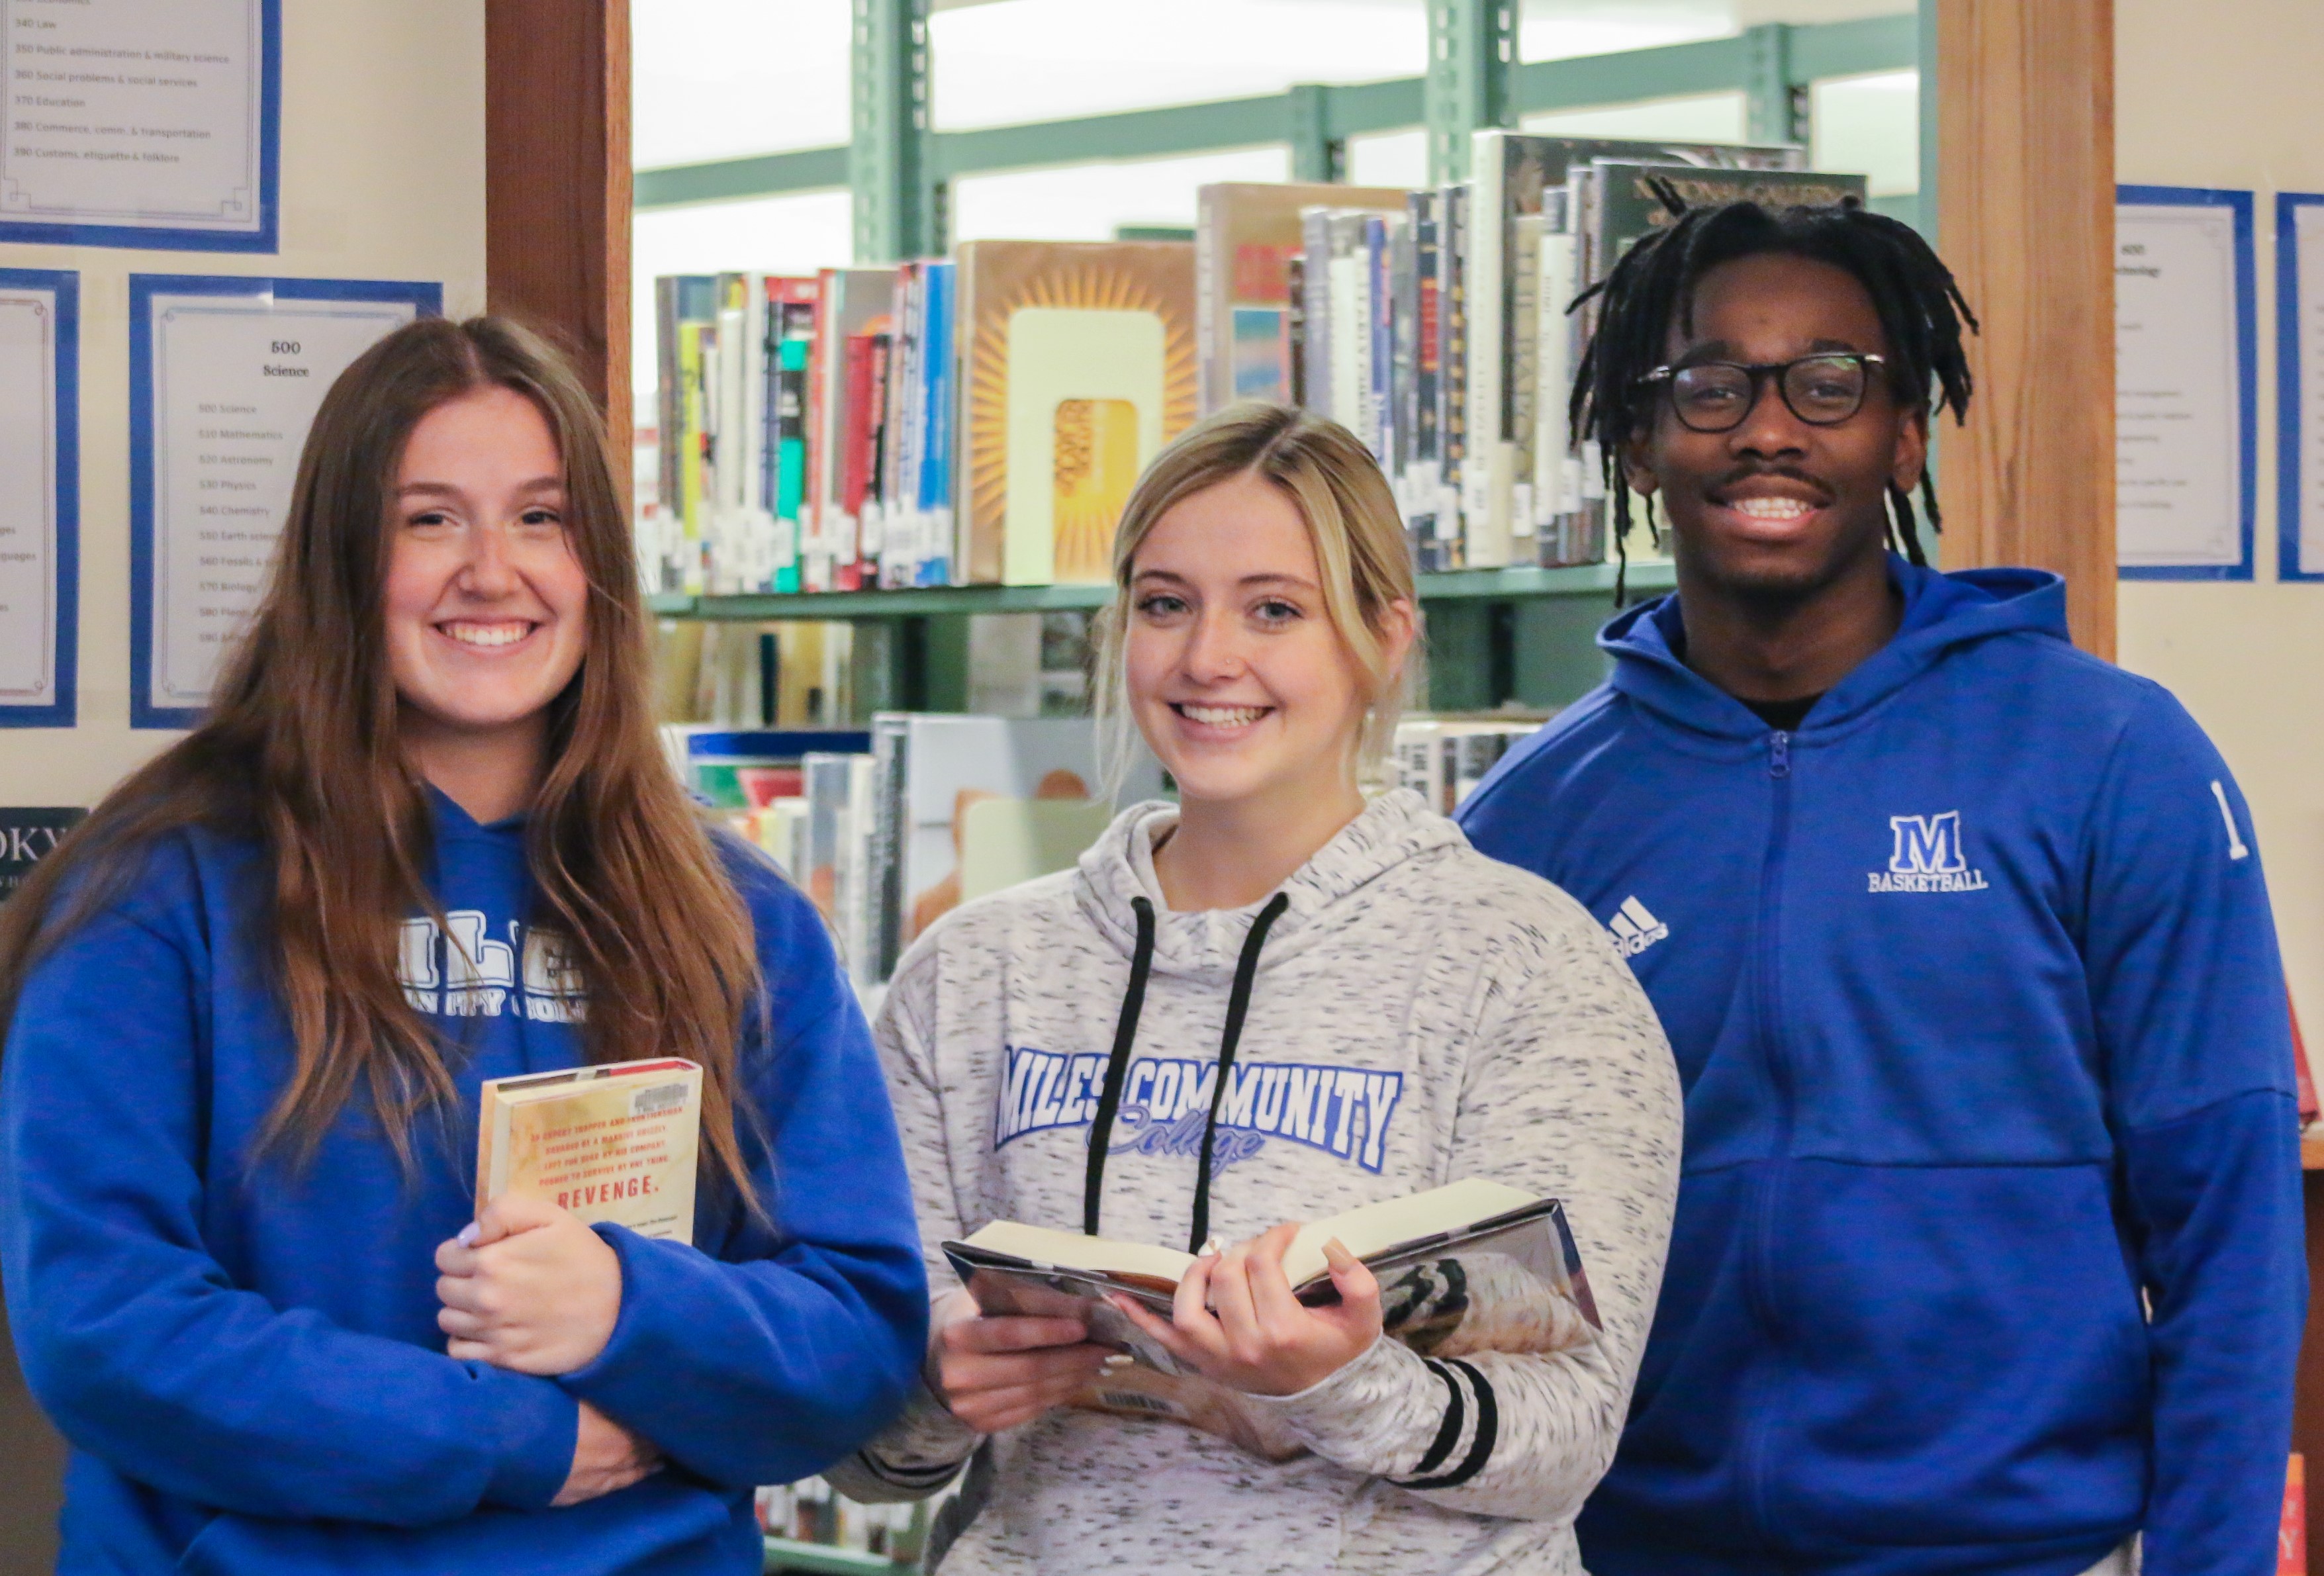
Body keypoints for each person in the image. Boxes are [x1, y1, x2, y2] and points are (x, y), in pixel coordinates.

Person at [1457, 197, 2305, 1576]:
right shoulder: (1531, 822)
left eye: (1830, 382)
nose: (1770, 429)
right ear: (1637, 440)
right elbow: (1476, 1264)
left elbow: (2230, 1225)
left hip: (2025, 1550)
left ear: (1903, 434)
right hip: (1630, 1552)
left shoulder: (2110, 755)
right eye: (1710, 385)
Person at [0, 317, 927, 1575]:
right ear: (342, 559)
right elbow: (104, 1325)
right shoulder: (157, 891)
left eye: (542, 519)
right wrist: (507, 1435)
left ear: (598, 560)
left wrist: (629, 1310)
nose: (494, 571)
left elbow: (860, 1334)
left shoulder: (739, 917)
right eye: (428, 519)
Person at [825, 403, 1683, 1575]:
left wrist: (1341, 1384)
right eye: (1165, 603)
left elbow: (1570, 1438)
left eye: (1274, 608)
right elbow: (864, 1458)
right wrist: (935, 1387)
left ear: (1383, 638)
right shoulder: (973, 973)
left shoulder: (1527, 966)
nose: (1206, 658)